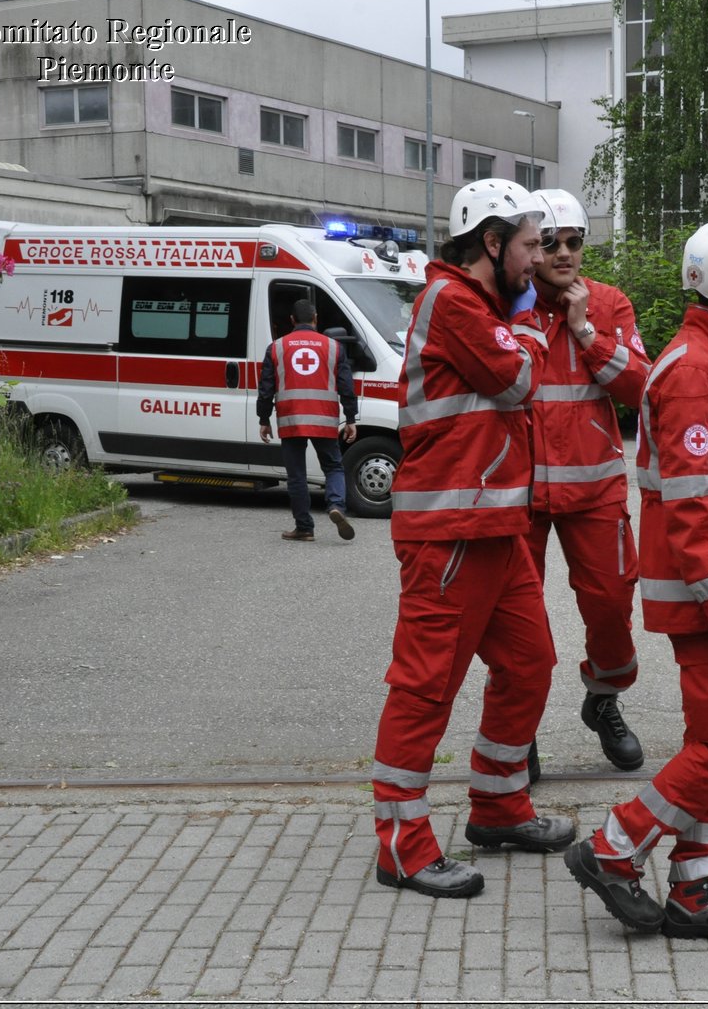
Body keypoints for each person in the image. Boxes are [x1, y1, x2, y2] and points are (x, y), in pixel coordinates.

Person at [565, 217, 708, 949]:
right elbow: (693, 508)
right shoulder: (695, 370)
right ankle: (616, 844)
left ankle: (697, 886)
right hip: (706, 600)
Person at [370, 179, 575, 899]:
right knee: (426, 686)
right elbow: (518, 379)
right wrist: (527, 323)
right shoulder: (454, 300)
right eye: (528, 244)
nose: (538, 259)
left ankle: (496, 805)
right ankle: (401, 842)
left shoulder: (478, 304)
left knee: (530, 662)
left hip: (493, 526)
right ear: (491, 243)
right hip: (450, 529)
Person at [522, 189, 650, 777]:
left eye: (575, 242)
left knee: (610, 606)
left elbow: (641, 388)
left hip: (594, 490)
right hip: (519, 494)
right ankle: (514, 726)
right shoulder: (505, 305)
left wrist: (585, 333)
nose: (566, 253)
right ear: (530, 247)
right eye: (551, 243)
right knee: (517, 620)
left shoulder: (608, 303)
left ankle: (603, 699)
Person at [257, 299, 356, 542]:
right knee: (333, 466)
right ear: (315, 319)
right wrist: (351, 418)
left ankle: (304, 528)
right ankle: (336, 506)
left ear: (292, 321)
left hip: (291, 419)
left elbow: (266, 388)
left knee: (297, 475)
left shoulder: (277, 347)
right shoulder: (333, 347)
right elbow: (346, 386)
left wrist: (264, 418)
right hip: (323, 417)